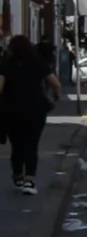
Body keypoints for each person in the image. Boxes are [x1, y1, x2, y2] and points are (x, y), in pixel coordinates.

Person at [0, 34, 60, 195]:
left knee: (17, 145)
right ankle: (29, 180)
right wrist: (56, 96)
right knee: (31, 145)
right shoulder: (38, 63)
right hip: (35, 109)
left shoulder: (6, 64)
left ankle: (18, 175)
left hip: (11, 110)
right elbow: (55, 84)